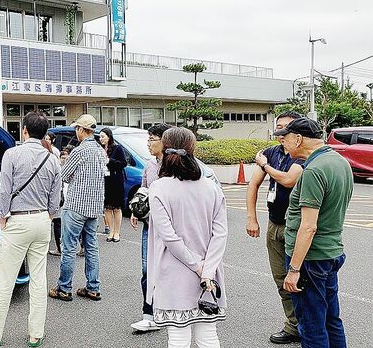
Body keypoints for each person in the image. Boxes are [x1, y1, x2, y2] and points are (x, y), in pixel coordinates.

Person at [0, 112, 61, 348]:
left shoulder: (12, 154)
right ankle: (35, 335)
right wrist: (47, 215)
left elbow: (5, 190)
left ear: (25, 130)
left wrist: (3, 216)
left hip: (17, 221)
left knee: (5, 281)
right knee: (39, 280)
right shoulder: (52, 159)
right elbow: (56, 197)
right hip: (41, 221)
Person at [274, 118, 353, 348]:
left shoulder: (313, 171)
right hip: (331, 252)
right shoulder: (340, 162)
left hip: (310, 258)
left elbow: (308, 226)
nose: (283, 145)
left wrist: (294, 269)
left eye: (285, 139)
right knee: (331, 320)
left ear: (298, 139)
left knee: (311, 325)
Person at [146, 127, 228, 348]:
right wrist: (207, 268)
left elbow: (169, 238)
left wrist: (197, 266)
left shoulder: (159, 188)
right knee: (208, 336)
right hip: (209, 277)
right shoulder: (212, 187)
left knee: (178, 338)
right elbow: (220, 233)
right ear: (193, 149)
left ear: (165, 148)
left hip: (174, 273)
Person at [246, 111, 303, 344]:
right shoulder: (271, 153)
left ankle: (307, 326)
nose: (280, 133)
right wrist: (252, 217)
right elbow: (254, 183)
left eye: (286, 128)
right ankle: (293, 326)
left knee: (299, 279)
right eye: (278, 127)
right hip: (274, 224)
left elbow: (289, 179)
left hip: (296, 228)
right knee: (281, 279)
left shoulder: (302, 156)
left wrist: (265, 166)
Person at [49, 114, 106, 302]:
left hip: (76, 205)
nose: (76, 131)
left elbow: (63, 175)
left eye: (77, 128)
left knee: (69, 247)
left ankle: (64, 288)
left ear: (82, 130)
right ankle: (93, 287)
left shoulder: (79, 151)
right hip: (95, 205)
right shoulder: (100, 150)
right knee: (91, 247)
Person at [129, 123, 172, 332]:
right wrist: (137, 209)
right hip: (150, 225)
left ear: (165, 141)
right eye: (148, 139)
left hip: (171, 229)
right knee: (147, 270)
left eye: (152, 139)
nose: (148, 143)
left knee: (172, 270)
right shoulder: (149, 164)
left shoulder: (175, 164)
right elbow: (144, 187)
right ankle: (150, 314)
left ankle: (175, 309)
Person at [99, 128, 127, 242]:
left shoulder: (117, 148)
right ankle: (110, 231)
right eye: (100, 137)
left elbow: (123, 163)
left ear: (109, 137)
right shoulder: (99, 149)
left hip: (116, 180)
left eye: (103, 136)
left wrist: (110, 161)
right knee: (107, 208)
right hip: (104, 180)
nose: (101, 139)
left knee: (116, 207)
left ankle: (117, 232)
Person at [49, 146, 72, 256]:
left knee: (59, 224)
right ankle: (62, 247)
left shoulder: (55, 167)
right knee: (62, 223)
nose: (64, 160)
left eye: (66, 158)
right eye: (63, 157)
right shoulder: (71, 168)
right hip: (63, 199)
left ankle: (61, 248)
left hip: (61, 199)